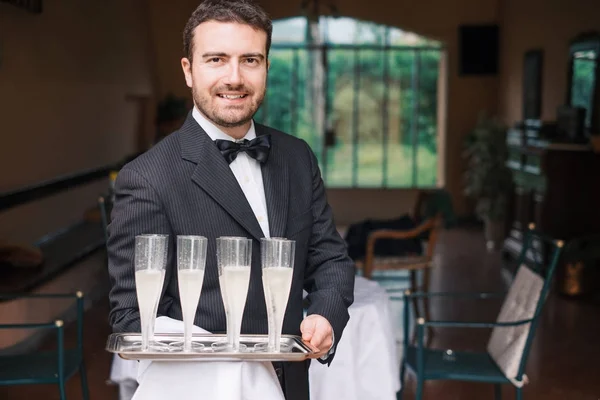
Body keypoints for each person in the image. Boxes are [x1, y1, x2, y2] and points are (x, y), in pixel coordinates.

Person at [106, 0, 355, 399]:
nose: (234, 77)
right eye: (216, 59)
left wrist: (326, 312)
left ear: (267, 67)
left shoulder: (297, 156)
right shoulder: (146, 178)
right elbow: (132, 317)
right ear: (189, 70)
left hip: (291, 386)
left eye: (250, 60)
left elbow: (330, 259)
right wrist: (236, 357)